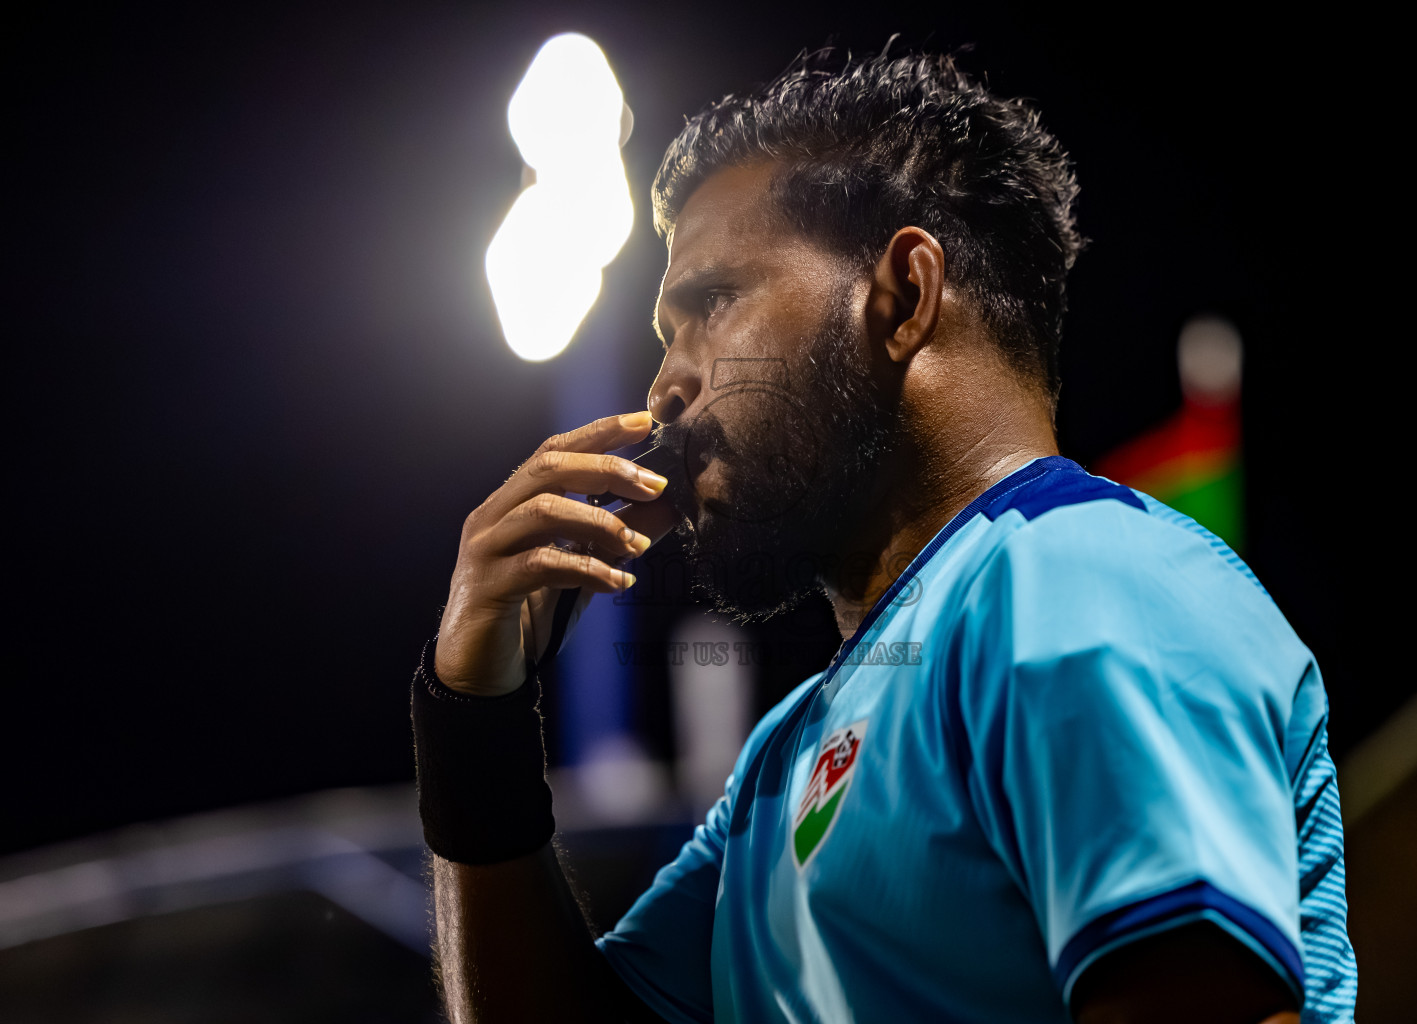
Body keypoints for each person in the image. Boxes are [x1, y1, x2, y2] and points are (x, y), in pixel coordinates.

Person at [412, 48, 1357, 1024]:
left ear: (905, 295)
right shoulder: (791, 748)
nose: (665, 386)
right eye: (665, 334)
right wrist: (474, 718)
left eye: (713, 304)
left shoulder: (1076, 580)